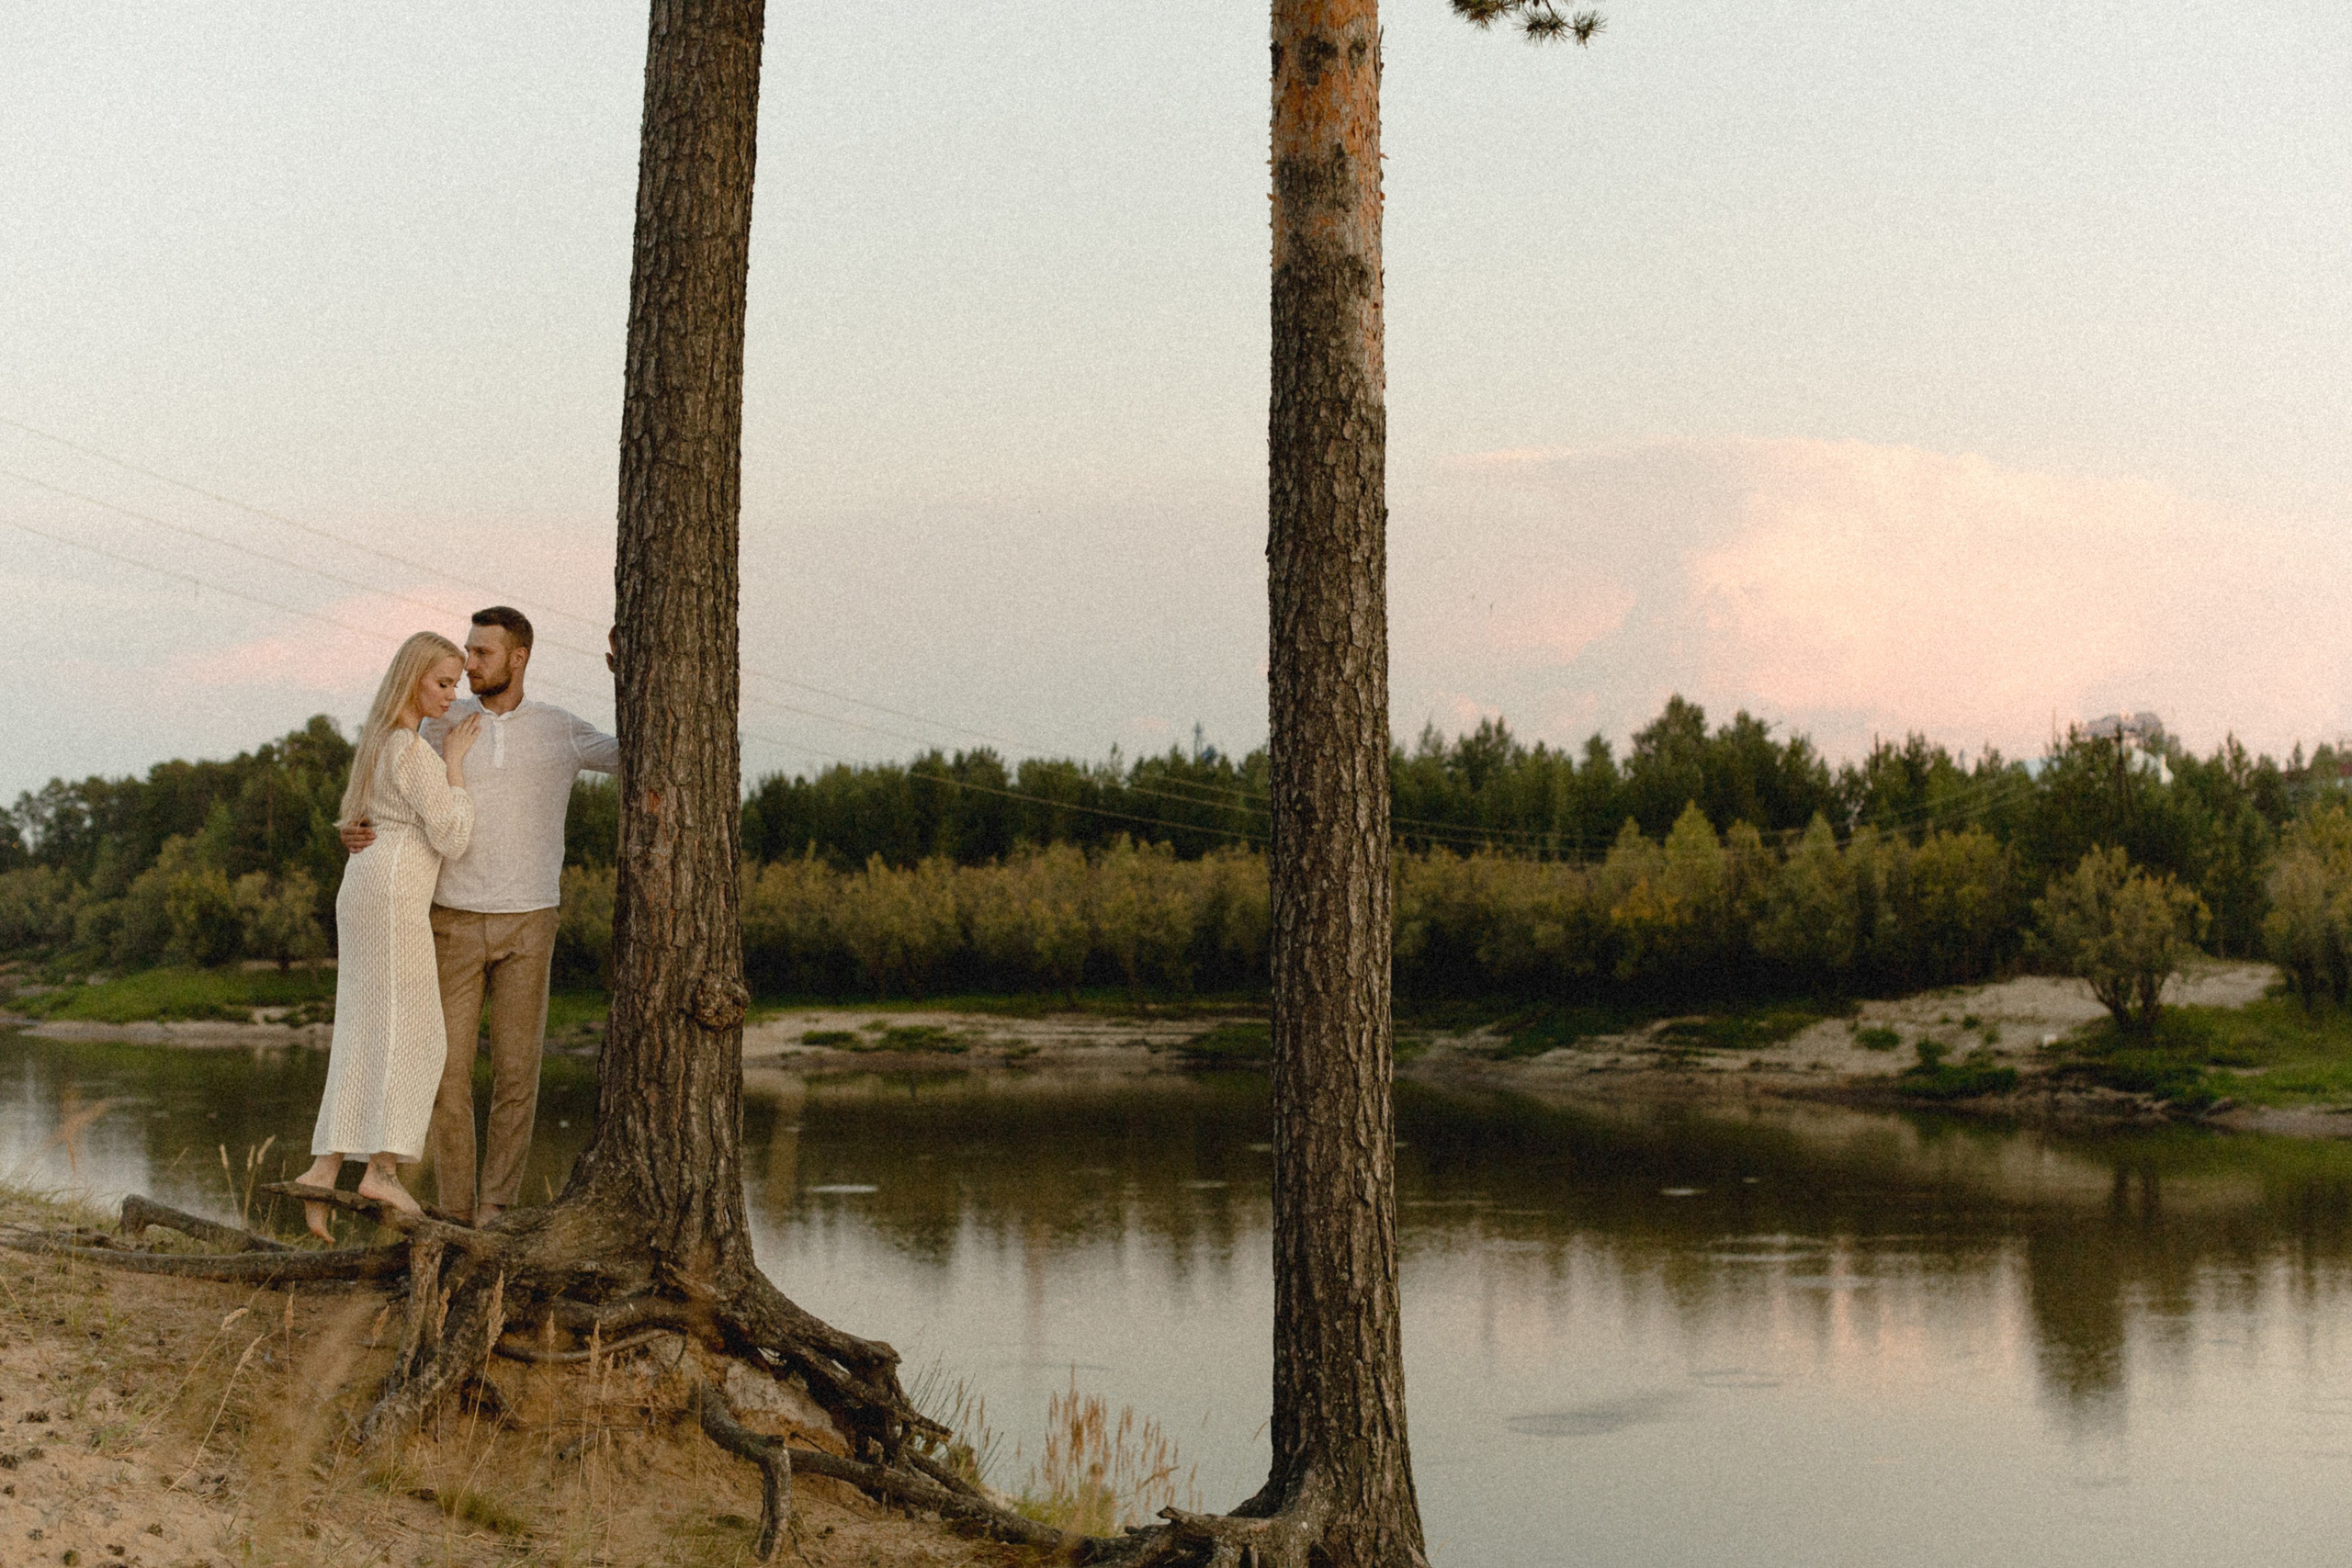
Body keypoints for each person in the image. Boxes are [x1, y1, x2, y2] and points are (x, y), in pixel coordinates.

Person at [342, 606, 617, 1227]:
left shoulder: (559, 728)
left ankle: (495, 1209)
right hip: (451, 918)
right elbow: (387, 769)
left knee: (517, 1074)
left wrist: (632, 681)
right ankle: (456, 1210)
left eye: (482, 653)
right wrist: (357, 823)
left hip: (530, 920)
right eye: (466, 651)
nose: (468, 664)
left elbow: (634, 756)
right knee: (447, 1075)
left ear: (519, 658)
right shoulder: (444, 719)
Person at [297, 632, 482, 1240]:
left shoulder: (379, 743)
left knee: (364, 1030)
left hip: (365, 890)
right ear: (412, 679)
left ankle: (324, 1170)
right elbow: (453, 836)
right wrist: (455, 763)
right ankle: (380, 1170)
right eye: (442, 683)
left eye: (455, 684)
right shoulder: (411, 750)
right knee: (419, 1036)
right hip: (393, 898)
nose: (451, 696)